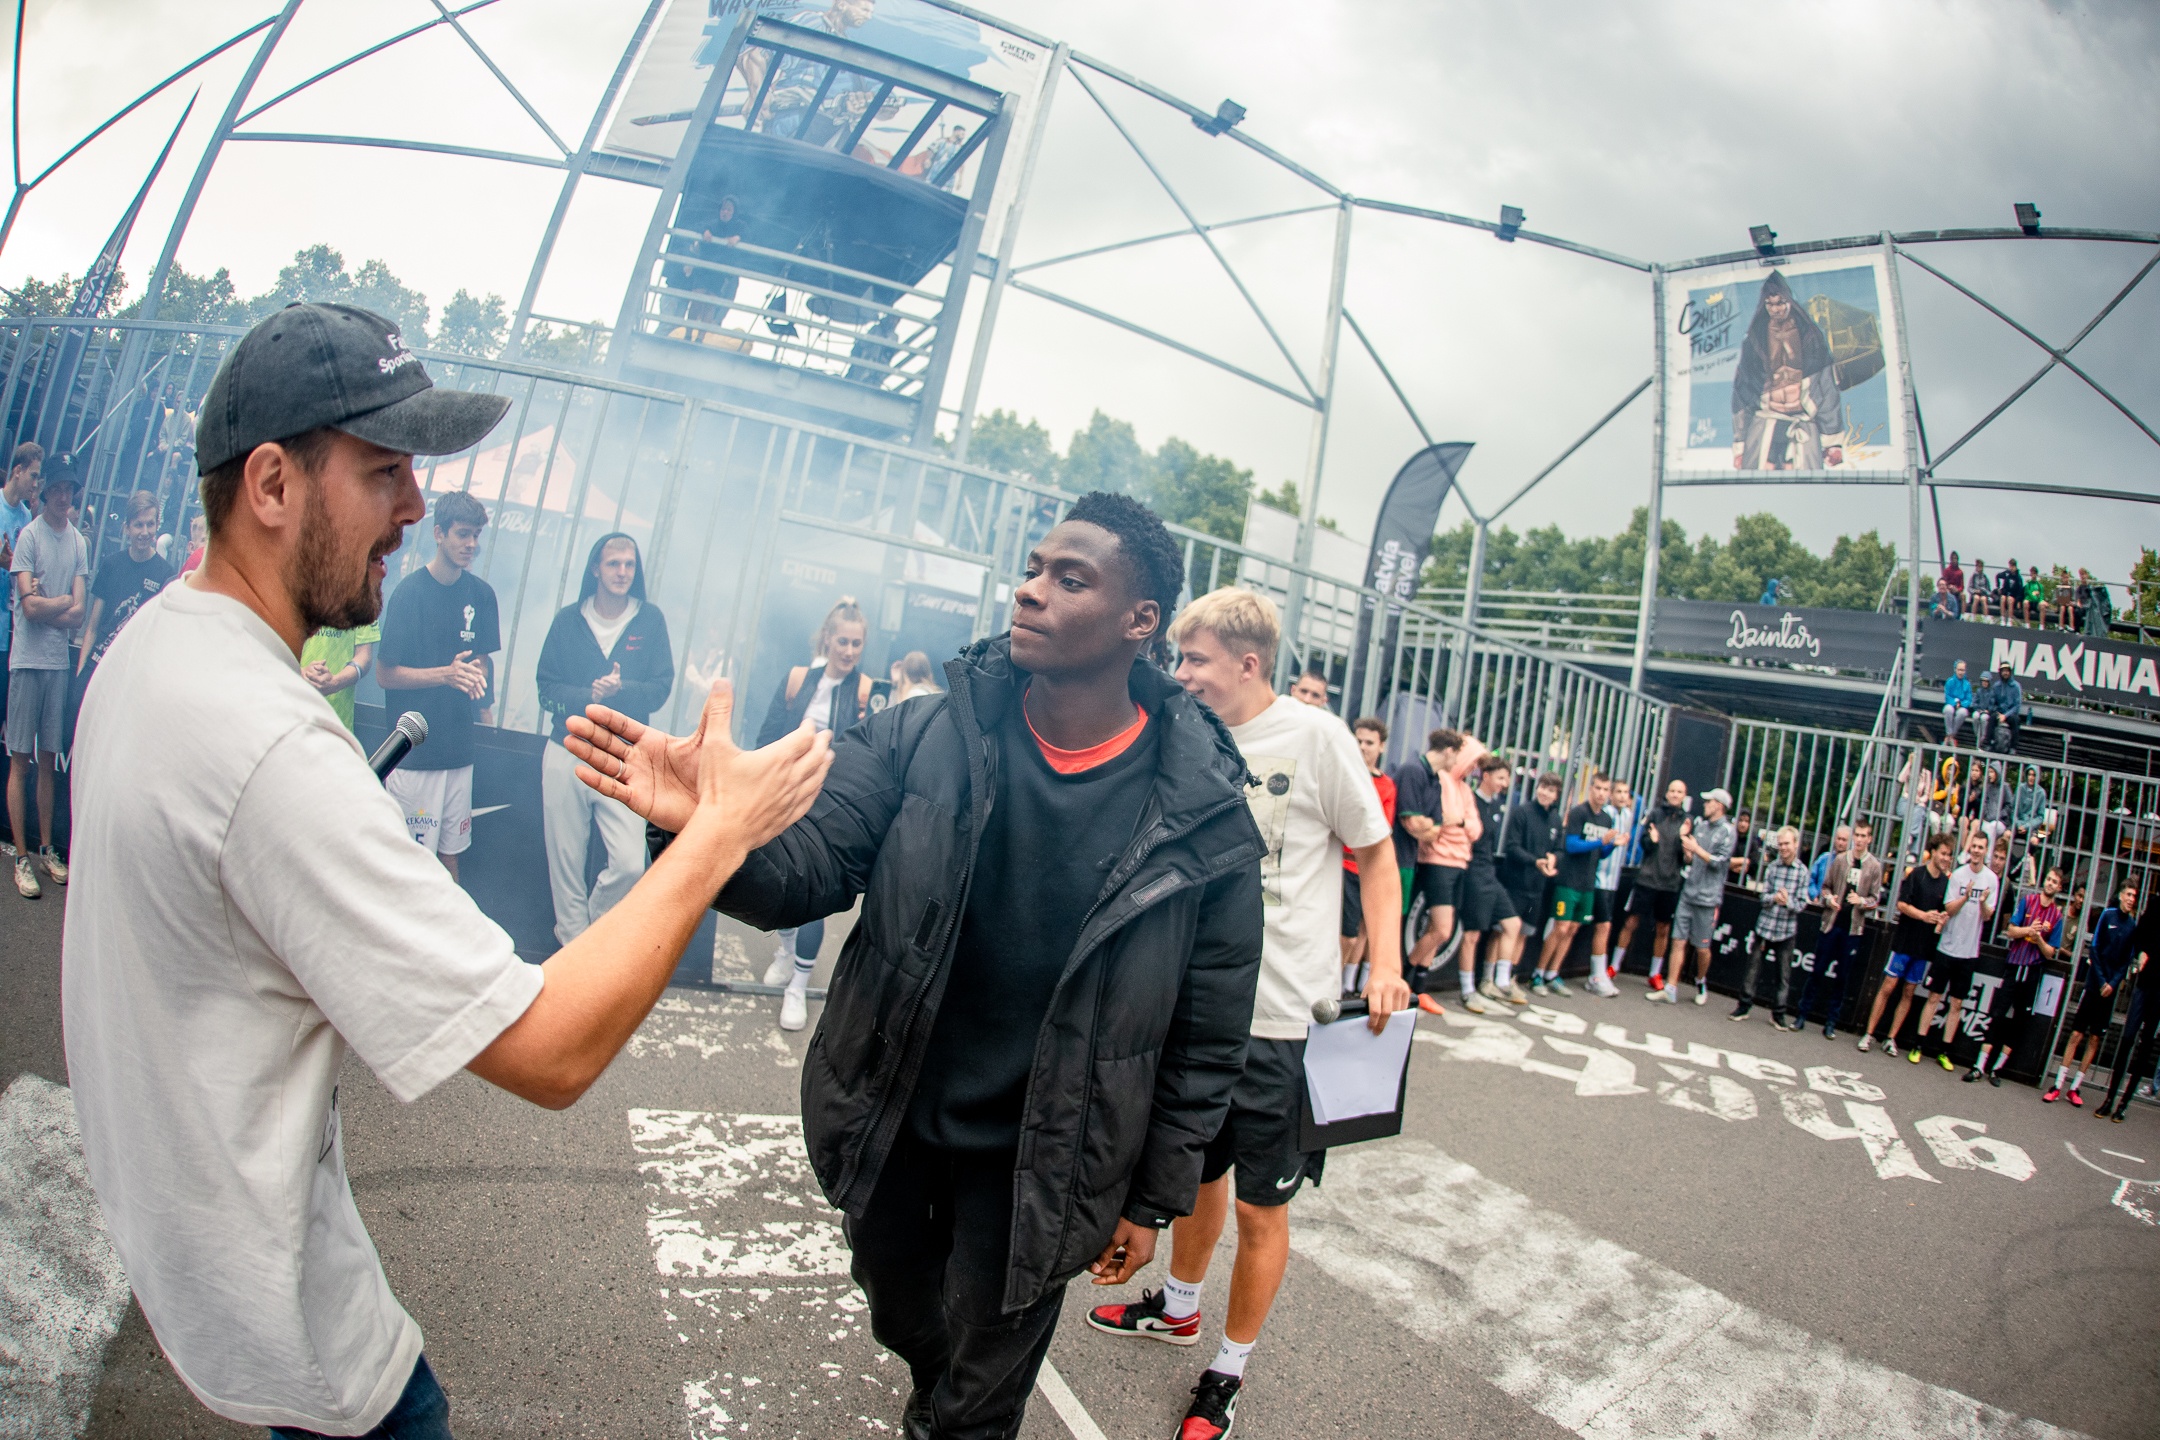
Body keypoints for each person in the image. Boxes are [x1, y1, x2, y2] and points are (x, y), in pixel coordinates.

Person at [62, 301, 832, 1440]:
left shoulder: (153, 648)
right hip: (318, 1353)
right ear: (271, 485)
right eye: (385, 472)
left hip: (207, 1281)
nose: (418, 508)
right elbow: (551, 1049)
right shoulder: (269, 746)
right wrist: (720, 829)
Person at [593, 495, 1268, 1440]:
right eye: (1032, 569)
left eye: (1070, 579)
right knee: (906, 1313)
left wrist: (1153, 1199)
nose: (1030, 591)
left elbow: (1206, 1035)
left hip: (1046, 1162)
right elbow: (808, 869)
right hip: (898, 1117)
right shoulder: (926, 733)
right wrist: (704, 827)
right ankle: (940, 1384)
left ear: (1139, 620)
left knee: (972, 1411)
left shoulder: (1203, 813)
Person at [1094, 583, 1404, 1440]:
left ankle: (1227, 1372)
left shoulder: (1316, 737)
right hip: (1196, 1012)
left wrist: (1386, 964)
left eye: (1195, 659)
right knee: (1196, 1177)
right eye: (1179, 657)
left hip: (1283, 1024)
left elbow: (1377, 858)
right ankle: (1179, 1308)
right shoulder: (1186, 734)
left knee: (1263, 1208)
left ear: (1248, 663)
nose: (1182, 672)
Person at [536, 532, 674, 946]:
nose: (622, 572)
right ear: (595, 568)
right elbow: (545, 688)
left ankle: (590, 936)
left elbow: (661, 689)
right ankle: (571, 947)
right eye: (614, 563)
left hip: (623, 756)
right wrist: (589, 696)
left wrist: (620, 690)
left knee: (630, 864)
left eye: (630, 564)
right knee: (565, 864)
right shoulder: (567, 620)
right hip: (566, 750)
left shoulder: (650, 620)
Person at [755, 595, 882, 1028]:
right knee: (779, 878)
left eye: (857, 644)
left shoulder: (867, 691)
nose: (849, 651)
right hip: (786, 795)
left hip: (831, 804)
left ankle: (798, 986)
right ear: (827, 639)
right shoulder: (798, 679)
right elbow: (769, 735)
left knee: (815, 892)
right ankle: (787, 950)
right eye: (843, 642)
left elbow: (871, 755)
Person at [377, 490, 499, 880]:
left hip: (460, 750)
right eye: (463, 534)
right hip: (415, 755)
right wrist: (445, 674)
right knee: (409, 863)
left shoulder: (482, 595)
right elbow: (384, 674)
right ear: (439, 533)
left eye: (476, 535)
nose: (471, 544)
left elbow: (482, 661)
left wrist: (478, 682)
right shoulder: (409, 593)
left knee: (451, 857)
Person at [8, 463, 87, 897]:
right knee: (20, 761)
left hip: (57, 664)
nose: (62, 496)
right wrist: (59, 602)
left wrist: (46, 603)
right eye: (55, 488)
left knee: (48, 760)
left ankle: (45, 850)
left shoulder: (78, 542)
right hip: (26, 661)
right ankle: (22, 858)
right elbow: (30, 608)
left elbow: (79, 613)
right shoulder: (28, 537)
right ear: (44, 492)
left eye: (68, 489)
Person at [1392, 727, 1483, 1000]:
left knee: (1439, 929)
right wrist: (1445, 825)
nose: (1474, 768)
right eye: (1472, 760)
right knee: (1442, 929)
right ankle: (1403, 978)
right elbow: (1431, 826)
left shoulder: (1459, 787)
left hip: (1459, 863)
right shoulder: (1433, 777)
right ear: (1453, 753)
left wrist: (1457, 822)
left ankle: (1417, 988)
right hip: (1436, 862)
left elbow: (1474, 829)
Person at [1729, 270, 1845, 471]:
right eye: (1770, 304)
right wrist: (1740, 445)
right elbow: (1742, 392)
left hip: (1802, 420)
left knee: (1805, 484)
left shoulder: (1811, 337)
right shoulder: (1754, 340)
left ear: (1790, 301)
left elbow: (1827, 387)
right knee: (1759, 483)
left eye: (1780, 302)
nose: (1776, 309)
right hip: (1765, 420)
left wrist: (1832, 442)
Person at [1909, 829, 2000, 1070]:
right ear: (1970, 849)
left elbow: (1988, 916)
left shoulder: (1992, 879)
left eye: (1981, 847)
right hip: (1947, 947)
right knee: (1934, 997)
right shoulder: (1958, 875)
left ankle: (1944, 1051)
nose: (1976, 851)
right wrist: (1966, 897)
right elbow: (1949, 909)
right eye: (1974, 847)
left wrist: (1982, 902)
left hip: (1969, 953)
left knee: (1957, 1003)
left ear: (1986, 850)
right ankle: (1918, 1045)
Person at [1856, 834, 1954, 1052]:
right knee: (1888, 986)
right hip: (1905, 942)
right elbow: (1901, 904)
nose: (1946, 858)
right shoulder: (1916, 875)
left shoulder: (1947, 884)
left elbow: (1942, 914)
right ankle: (1868, 1034)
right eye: (1943, 853)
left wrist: (1940, 919)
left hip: (1924, 947)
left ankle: (1891, 1038)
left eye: (1949, 855)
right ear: (1933, 852)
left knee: (1909, 991)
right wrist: (1923, 915)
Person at [2047, 879, 2139, 1105]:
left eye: (2134, 896)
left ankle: (2075, 1088)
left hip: (2110, 991)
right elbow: (2095, 949)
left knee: (2095, 1038)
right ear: (2120, 895)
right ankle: (2058, 1084)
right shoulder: (2107, 916)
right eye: (2128, 894)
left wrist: (2112, 984)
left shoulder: (2132, 926)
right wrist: (2101, 981)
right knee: (2076, 1034)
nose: (2131, 899)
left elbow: (2126, 962)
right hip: (2093, 985)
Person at [1968, 867, 2062, 1085]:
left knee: (2020, 1020)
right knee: (1997, 1013)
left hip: (2033, 971)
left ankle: (1997, 1069)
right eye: (2048, 879)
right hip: (2014, 965)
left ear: (2059, 887)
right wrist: (2028, 930)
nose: (2050, 883)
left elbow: (2050, 952)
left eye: (2054, 881)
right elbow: (2011, 931)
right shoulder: (2028, 901)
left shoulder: (2056, 917)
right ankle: (1979, 1065)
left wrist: (2039, 939)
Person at [1794, 822, 1884, 1039]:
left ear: (1870, 839)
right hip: (1831, 924)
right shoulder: (1841, 860)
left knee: (1842, 977)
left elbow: (1875, 900)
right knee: (1817, 971)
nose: (1859, 839)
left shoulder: (1874, 866)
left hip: (1853, 929)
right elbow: (1825, 887)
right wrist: (1829, 900)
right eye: (1857, 835)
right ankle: (1802, 1015)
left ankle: (1831, 1022)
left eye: (1863, 836)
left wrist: (1861, 901)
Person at [1535, 771, 1620, 996]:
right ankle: (1538, 973)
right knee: (1560, 927)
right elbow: (1571, 846)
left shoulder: (1606, 819)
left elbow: (1601, 854)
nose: (1601, 793)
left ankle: (1553, 973)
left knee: (1572, 929)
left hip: (1588, 883)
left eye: (1605, 789)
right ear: (1590, 788)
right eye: (1598, 788)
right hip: (1568, 880)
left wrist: (1612, 845)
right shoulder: (1578, 813)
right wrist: (1600, 841)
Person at [1649, 786, 1734, 1005]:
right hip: (1688, 893)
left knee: (1702, 947)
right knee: (1678, 940)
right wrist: (1688, 852)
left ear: (1719, 806)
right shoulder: (1701, 826)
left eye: (1709, 801)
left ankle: (1701, 980)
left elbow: (1719, 863)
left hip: (1708, 899)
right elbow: (1691, 859)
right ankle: (1670, 988)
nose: (1705, 804)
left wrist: (1695, 849)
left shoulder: (1727, 831)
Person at [1459, 755, 1525, 1010]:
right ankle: (1467, 990)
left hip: (1490, 872)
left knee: (1512, 924)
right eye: (1500, 778)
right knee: (1472, 934)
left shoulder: (1496, 805)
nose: (1504, 783)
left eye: (1506, 779)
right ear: (1485, 776)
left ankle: (1499, 982)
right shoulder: (1471, 801)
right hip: (1473, 871)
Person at [1339, 716, 1398, 995]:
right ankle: (1334, 985)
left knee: (1363, 931)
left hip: (1365, 869)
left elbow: (1379, 830)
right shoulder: (1344, 774)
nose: (1363, 747)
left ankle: (1349, 985)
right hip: (1341, 866)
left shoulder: (1386, 785)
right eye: (1359, 740)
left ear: (1381, 746)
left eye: (1369, 742)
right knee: (1346, 936)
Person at [1732, 826, 1809, 1026]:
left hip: (1786, 930)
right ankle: (1744, 1005)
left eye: (1787, 843)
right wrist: (1774, 898)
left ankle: (1778, 1013)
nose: (1783, 848)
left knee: (1783, 975)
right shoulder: (1772, 867)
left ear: (1796, 844)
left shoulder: (1802, 872)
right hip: (1765, 926)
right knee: (1752, 970)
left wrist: (1787, 902)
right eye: (1780, 844)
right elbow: (1763, 896)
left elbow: (1802, 904)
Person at [2094, 896, 2160, 1121]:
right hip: (2145, 983)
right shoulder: (2155, 904)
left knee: (2146, 1044)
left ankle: (2124, 1104)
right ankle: (2110, 1098)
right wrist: (2141, 952)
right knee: (2127, 1038)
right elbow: (2139, 935)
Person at [1618, 778, 1688, 990]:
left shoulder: (1687, 821)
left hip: (1670, 884)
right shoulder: (1655, 815)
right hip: (1647, 879)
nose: (1675, 795)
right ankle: (1614, 965)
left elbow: (1686, 857)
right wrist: (1652, 840)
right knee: (1631, 922)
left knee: (1663, 929)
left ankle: (1655, 973)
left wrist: (1684, 841)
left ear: (1684, 796)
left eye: (1679, 792)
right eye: (1672, 790)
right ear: (1666, 793)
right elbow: (1642, 843)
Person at [1499, 771, 1563, 992]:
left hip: (1537, 887)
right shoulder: (1522, 812)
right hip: (1515, 882)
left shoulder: (1556, 819)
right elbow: (1512, 847)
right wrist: (1535, 862)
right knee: (1504, 931)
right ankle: (1494, 978)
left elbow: (1559, 849)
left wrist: (1553, 859)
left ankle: (1511, 978)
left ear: (1556, 795)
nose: (1545, 793)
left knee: (1524, 933)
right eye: (1543, 787)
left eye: (1551, 790)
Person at [0, 442, 38, 778]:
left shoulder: (26, 518)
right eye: (33, 476)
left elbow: (19, 567)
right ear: (17, 470)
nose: (36, 484)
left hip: (6, 630)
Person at [1585, 777, 1636, 997]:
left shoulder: (1627, 815)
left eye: (1626, 792)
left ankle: (1598, 974)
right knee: (1602, 926)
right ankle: (1597, 976)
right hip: (1597, 878)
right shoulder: (1605, 815)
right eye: (1618, 792)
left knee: (1603, 926)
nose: (1623, 796)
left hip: (1614, 881)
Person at [1942, 660, 1975, 746]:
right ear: (1955, 670)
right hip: (1951, 704)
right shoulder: (1950, 681)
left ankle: (1951, 736)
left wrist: (1961, 704)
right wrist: (1954, 702)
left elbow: (1969, 699)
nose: (1961, 672)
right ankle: (1949, 734)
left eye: (1962, 670)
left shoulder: (1967, 684)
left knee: (1963, 712)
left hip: (1961, 706)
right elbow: (1947, 696)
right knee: (1948, 710)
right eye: (1959, 670)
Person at [1728, 808, 1762, 882]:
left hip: (1741, 882)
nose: (1743, 824)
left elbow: (1754, 866)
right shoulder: (1729, 838)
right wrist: (1744, 861)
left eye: (1746, 821)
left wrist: (1732, 864)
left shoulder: (1752, 842)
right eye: (1740, 820)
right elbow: (1721, 861)